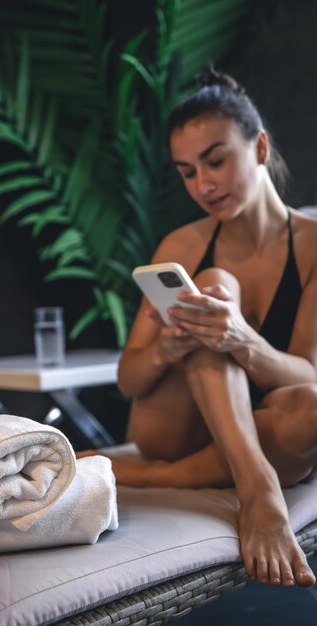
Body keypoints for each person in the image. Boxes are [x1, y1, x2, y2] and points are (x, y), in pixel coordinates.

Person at [80, 69, 317, 587]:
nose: (203, 185)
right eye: (187, 172)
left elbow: (307, 374)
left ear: (258, 147)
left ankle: (150, 478)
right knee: (212, 284)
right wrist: (167, 349)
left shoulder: (314, 246)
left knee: (313, 410)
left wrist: (242, 340)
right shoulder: (180, 248)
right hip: (176, 428)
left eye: (216, 160)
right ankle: (258, 490)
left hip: (268, 422)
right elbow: (129, 381)